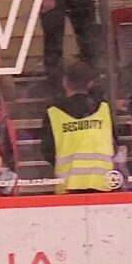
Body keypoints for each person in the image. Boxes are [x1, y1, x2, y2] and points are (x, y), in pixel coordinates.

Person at [43, 60, 117, 193]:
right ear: (90, 83)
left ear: (64, 81)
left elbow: (47, 150)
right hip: (102, 183)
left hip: (68, 185)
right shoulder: (104, 109)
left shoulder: (53, 113)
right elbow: (115, 143)